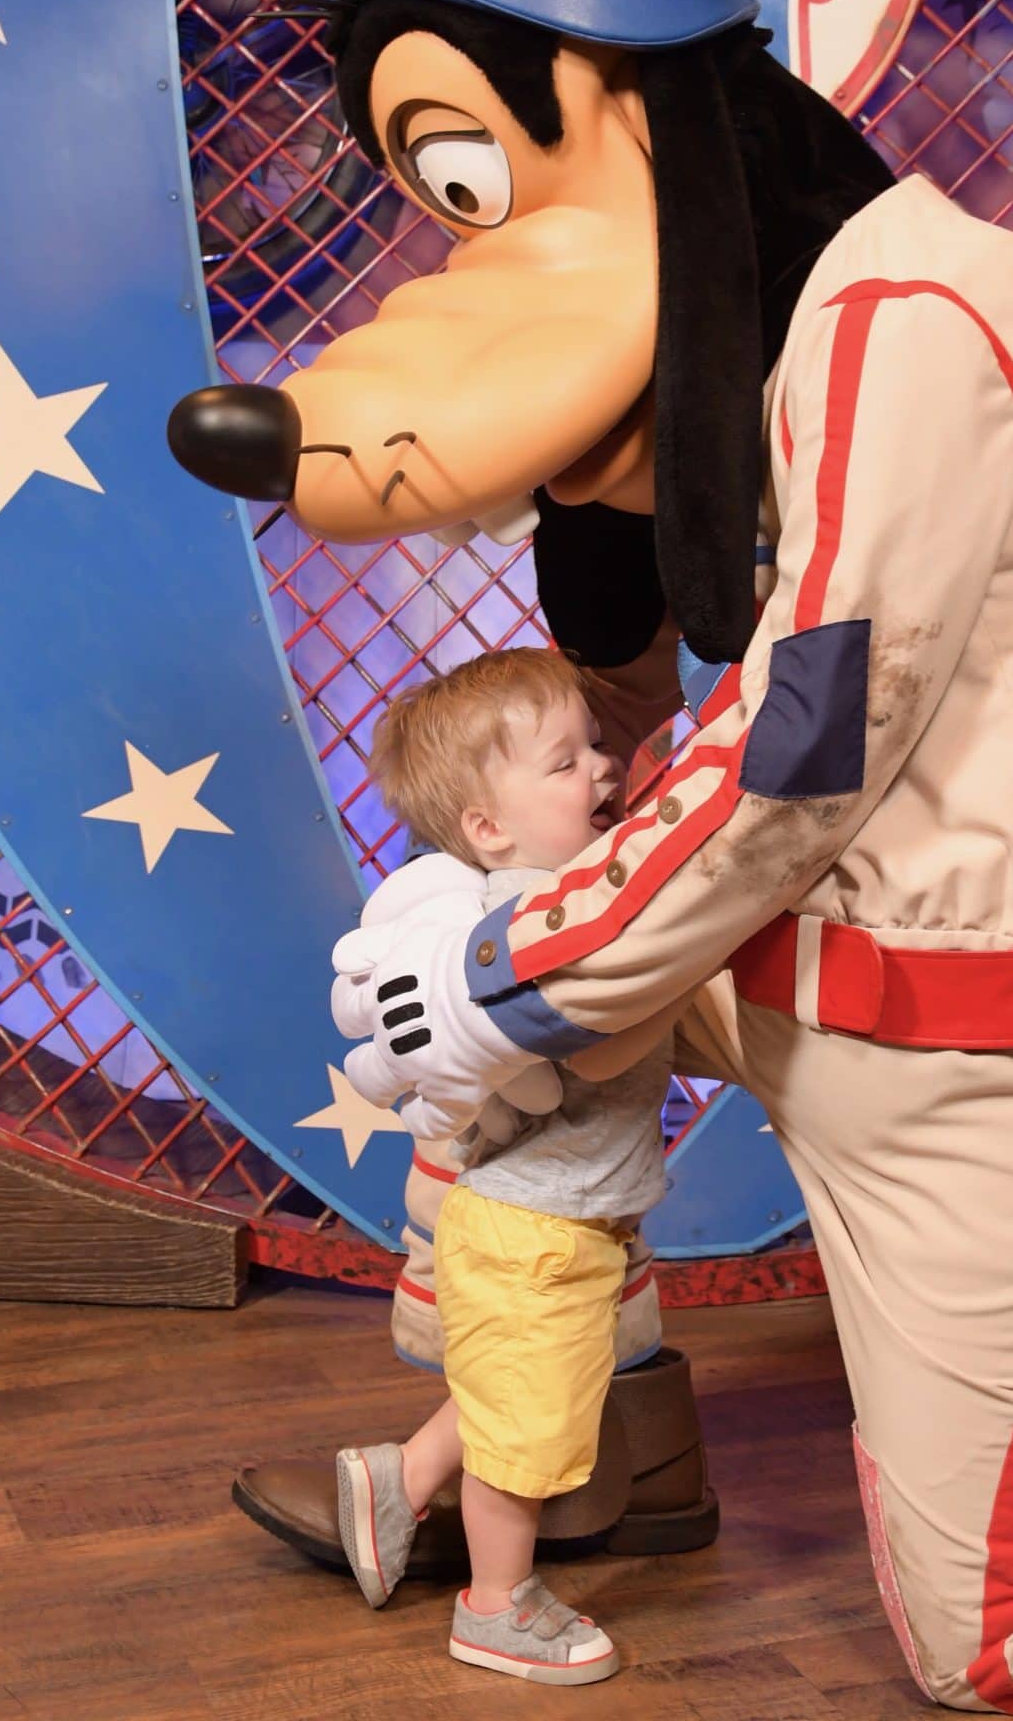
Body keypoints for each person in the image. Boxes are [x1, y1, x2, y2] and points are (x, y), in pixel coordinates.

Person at [170, 0, 1013, 1714]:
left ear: (641, 99)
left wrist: (509, 964)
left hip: (981, 1042)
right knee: (491, 1090)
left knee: (1003, 1645)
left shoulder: (917, 321)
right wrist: (465, 929)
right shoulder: (756, 342)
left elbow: (802, 749)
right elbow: (635, 711)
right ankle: (572, 1443)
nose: (476, 237)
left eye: (478, 166)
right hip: (795, 972)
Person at [331, 644, 687, 1686]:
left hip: (556, 1214)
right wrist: (697, 937)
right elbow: (605, 1033)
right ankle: (495, 1608)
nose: (604, 771)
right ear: (488, 829)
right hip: (537, 1225)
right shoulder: (540, 914)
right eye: (566, 761)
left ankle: (399, 1480)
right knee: (527, 1431)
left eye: (594, 748)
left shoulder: (559, 883)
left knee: (525, 1385)